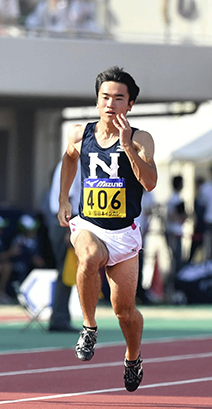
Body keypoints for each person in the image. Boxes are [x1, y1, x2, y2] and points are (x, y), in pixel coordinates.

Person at [58, 66, 156, 392]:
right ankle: (88, 327)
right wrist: (63, 199)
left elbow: (151, 182)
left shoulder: (141, 139)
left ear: (130, 105)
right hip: (88, 223)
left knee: (125, 312)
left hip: (124, 233)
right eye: (105, 97)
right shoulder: (79, 134)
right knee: (87, 258)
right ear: (97, 100)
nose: (110, 104)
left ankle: (133, 356)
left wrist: (127, 146)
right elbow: (69, 158)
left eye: (118, 98)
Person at [45, 160, 80, 331]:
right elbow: (69, 197)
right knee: (65, 270)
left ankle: (60, 315)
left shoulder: (67, 162)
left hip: (62, 221)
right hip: (66, 222)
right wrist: (70, 229)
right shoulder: (75, 163)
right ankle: (59, 317)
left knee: (65, 270)